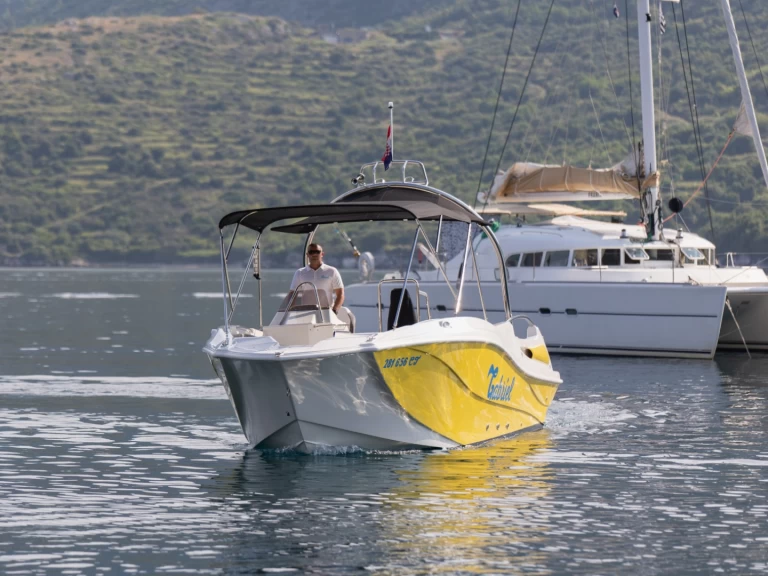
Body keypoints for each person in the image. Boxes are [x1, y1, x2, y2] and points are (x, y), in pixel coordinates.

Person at [289, 243, 344, 314]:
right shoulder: (299, 273)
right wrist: (291, 312)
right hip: (305, 313)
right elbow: (292, 295)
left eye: (317, 252)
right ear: (307, 255)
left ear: (322, 254)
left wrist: (335, 310)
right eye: (311, 252)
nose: (314, 254)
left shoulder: (332, 271)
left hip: (327, 313)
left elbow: (340, 294)